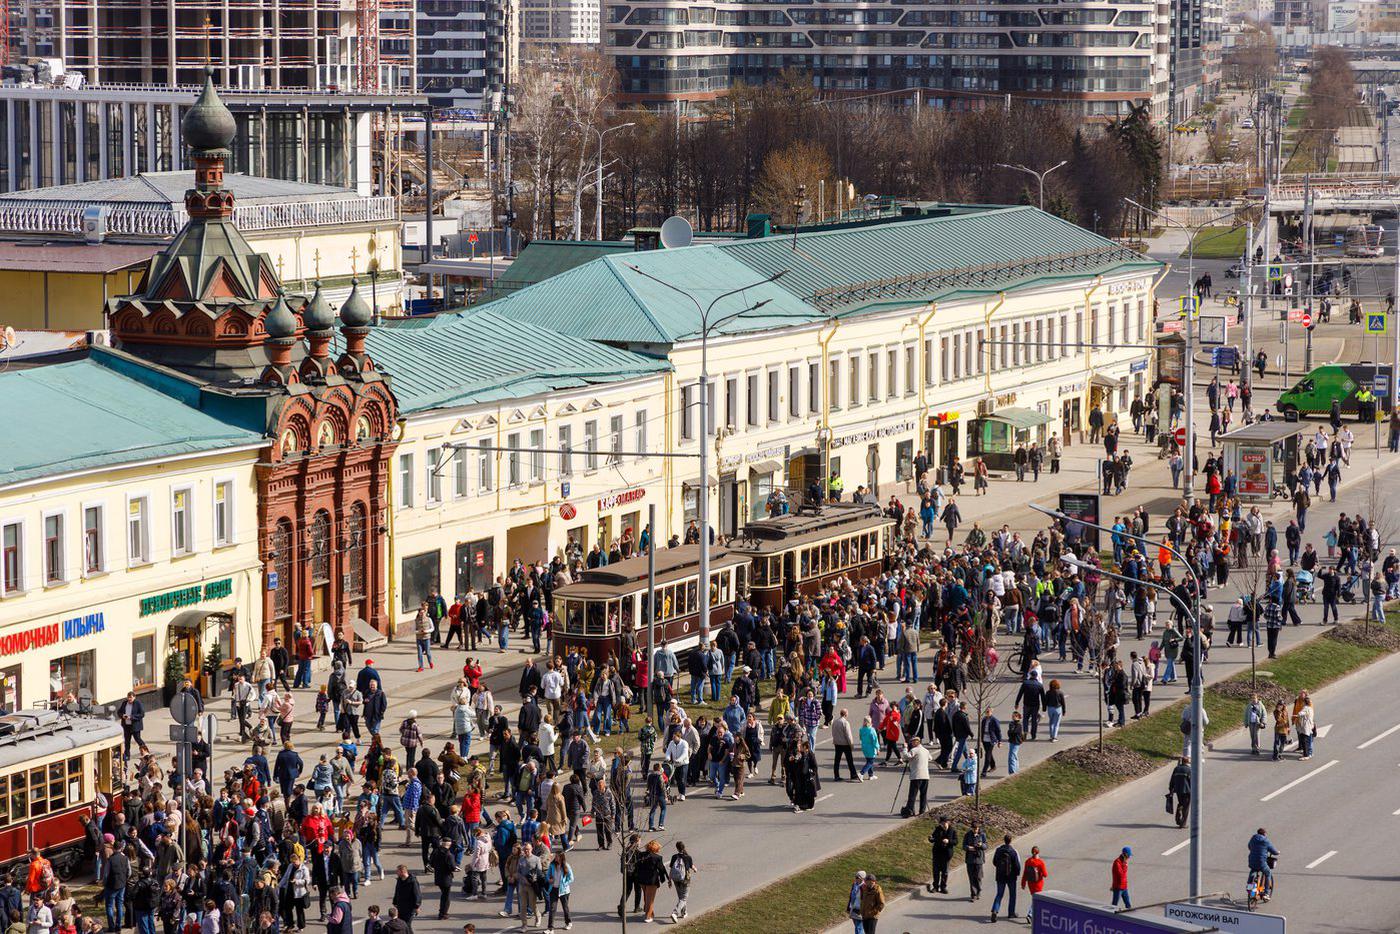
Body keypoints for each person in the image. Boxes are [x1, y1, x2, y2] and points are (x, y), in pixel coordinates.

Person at [990, 834, 1021, 923]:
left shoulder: (998, 850)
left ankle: (995, 910)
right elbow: (1017, 865)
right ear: (1011, 841)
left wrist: (999, 868)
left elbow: (994, 862)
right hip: (1011, 877)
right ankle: (1011, 912)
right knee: (1012, 895)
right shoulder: (1013, 852)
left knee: (999, 894)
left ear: (1004, 840)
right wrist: (1017, 873)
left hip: (1000, 876)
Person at [1247, 828, 1280, 901]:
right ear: (1264, 834)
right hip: (1261, 862)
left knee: (1253, 870)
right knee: (1268, 873)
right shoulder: (1265, 841)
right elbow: (1273, 851)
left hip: (1252, 861)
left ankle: (1249, 887)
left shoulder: (1253, 839)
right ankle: (1266, 894)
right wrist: (1278, 852)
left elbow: (1249, 847)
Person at [928, 817, 957, 895]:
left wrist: (948, 841)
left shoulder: (952, 830)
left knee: (945, 872)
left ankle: (943, 887)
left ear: (948, 823)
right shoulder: (938, 829)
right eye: (942, 823)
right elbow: (933, 838)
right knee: (936, 871)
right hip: (937, 853)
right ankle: (935, 887)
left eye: (944, 823)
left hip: (946, 854)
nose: (943, 825)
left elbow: (955, 841)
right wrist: (930, 839)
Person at [667, 843, 694, 923]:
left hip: (676, 880)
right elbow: (692, 866)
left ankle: (684, 913)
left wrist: (669, 880)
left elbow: (671, 869)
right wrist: (695, 869)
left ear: (677, 848)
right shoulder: (688, 857)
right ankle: (675, 913)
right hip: (685, 880)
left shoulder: (674, 857)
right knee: (684, 898)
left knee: (681, 897)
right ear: (684, 847)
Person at [902, 737, 930, 816]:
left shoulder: (914, 750)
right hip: (925, 776)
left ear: (917, 742)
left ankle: (910, 811)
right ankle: (922, 811)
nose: (912, 743)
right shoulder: (926, 751)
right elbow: (930, 758)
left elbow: (906, 756)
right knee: (923, 794)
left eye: (913, 742)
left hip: (916, 776)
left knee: (912, 795)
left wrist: (905, 748)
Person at [963, 819, 987, 902]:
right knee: (971, 877)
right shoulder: (967, 835)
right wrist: (968, 848)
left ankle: (978, 891)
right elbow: (964, 846)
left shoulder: (982, 835)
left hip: (979, 859)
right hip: (970, 859)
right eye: (974, 829)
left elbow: (986, 846)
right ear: (971, 828)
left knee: (978, 877)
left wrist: (981, 845)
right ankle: (973, 894)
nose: (975, 830)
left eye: (976, 828)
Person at [1167, 756, 1191, 828]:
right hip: (1187, 791)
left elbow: (1172, 779)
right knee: (1186, 807)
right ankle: (1183, 824)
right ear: (1187, 762)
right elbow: (1191, 781)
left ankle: (1178, 819)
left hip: (1178, 790)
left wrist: (1171, 789)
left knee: (1180, 803)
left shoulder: (1176, 769)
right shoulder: (1189, 770)